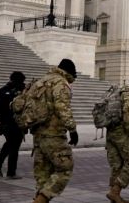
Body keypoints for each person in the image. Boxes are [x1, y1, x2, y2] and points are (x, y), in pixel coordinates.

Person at [31, 59, 79, 203]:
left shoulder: (41, 81)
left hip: (38, 135)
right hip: (54, 134)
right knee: (65, 168)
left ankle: (39, 198)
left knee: (42, 175)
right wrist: (72, 129)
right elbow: (62, 108)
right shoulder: (60, 83)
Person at [105, 75, 129, 203]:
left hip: (110, 133)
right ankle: (115, 191)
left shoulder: (119, 91)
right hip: (122, 134)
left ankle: (114, 197)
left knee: (117, 165)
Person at [0, 71, 26, 179]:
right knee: (14, 147)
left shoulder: (2, 90)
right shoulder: (19, 92)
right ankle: (11, 172)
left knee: (10, 144)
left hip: (4, 124)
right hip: (15, 124)